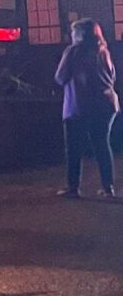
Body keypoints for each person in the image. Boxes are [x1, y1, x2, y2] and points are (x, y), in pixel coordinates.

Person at [54, 18, 118, 199]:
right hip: (106, 104)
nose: (71, 35)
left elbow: (60, 77)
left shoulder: (73, 52)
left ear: (80, 35)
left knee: (74, 148)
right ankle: (108, 187)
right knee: (102, 145)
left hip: (79, 105)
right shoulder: (103, 51)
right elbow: (112, 76)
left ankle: (73, 187)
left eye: (74, 32)